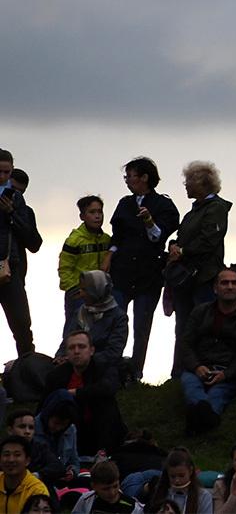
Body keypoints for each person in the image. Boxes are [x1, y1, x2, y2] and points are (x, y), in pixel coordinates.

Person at [108, 157, 180, 378]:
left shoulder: (164, 206)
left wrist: (149, 221)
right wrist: (108, 260)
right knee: (116, 322)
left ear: (144, 178)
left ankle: (135, 372)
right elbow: (117, 237)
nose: (127, 181)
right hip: (122, 273)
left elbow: (158, 237)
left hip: (148, 275)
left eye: (130, 176)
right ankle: (112, 370)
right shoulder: (124, 204)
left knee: (142, 325)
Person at [167, 160, 231, 375]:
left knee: (202, 325)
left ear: (202, 183)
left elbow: (209, 240)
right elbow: (183, 237)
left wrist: (182, 252)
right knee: (183, 326)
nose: (185, 185)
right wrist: (174, 246)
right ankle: (179, 372)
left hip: (203, 278)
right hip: (187, 279)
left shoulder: (216, 208)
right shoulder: (194, 211)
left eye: (188, 181)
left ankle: (201, 369)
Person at [176, 268, 236, 433]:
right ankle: (205, 418)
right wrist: (197, 366)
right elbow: (185, 343)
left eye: (234, 283)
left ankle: (197, 422)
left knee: (218, 395)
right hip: (198, 368)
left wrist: (226, 374)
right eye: (225, 282)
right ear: (215, 288)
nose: (230, 287)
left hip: (228, 373)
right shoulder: (200, 311)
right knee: (191, 386)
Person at [40, 330, 126, 456]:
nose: (76, 351)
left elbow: (109, 387)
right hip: (67, 429)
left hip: (100, 429)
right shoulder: (56, 375)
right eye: (71, 348)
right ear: (66, 353)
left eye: (81, 346)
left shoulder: (103, 367)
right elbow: (44, 404)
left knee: (105, 402)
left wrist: (75, 393)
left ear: (91, 350)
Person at [0, 151, 43, 358]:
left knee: (22, 325)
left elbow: (34, 242)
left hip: (10, 270)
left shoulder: (17, 200)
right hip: (11, 268)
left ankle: (27, 371)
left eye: (6, 172)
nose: (2, 177)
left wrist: (11, 214)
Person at [58, 196, 112, 325]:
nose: (97, 216)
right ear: (82, 216)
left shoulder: (106, 239)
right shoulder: (74, 240)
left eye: (100, 212)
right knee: (74, 330)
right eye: (92, 212)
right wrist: (75, 290)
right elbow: (64, 268)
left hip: (100, 295)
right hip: (79, 295)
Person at [62, 270, 128, 366]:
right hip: (74, 366)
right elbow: (67, 340)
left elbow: (113, 352)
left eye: (85, 290)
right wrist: (60, 357)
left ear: (96, 291)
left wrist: (86, 360)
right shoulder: (79, 312)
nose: (81, 293)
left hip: (102, 369)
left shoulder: (118, 317)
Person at [143, 448, 212, 514]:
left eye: (181, 476)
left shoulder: (203, 496)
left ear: (190, 471)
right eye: (172, 476)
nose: (177, 481)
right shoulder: (161, 492)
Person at [69, 460, 143, 514]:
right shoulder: (85, 500)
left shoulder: (132, 506)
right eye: (105, 489)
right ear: (94, 486)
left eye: (115, 486)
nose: (112, 492)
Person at [0, 435, 48, 513]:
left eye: (17, 455)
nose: (11, 460)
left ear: (27, 461)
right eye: (6, 454)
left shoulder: (37, 490)